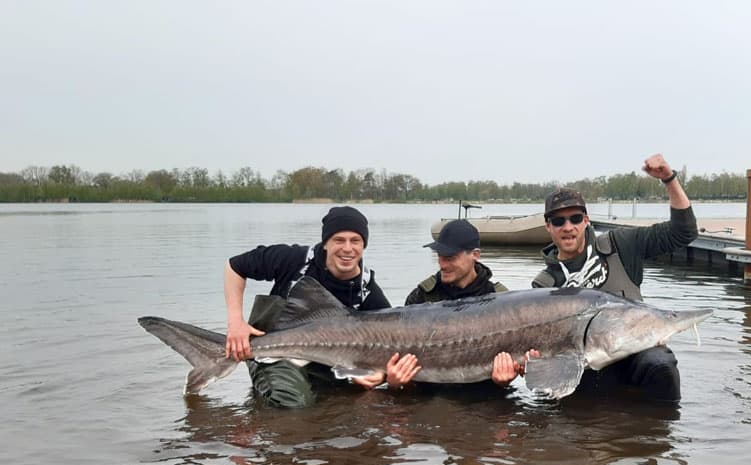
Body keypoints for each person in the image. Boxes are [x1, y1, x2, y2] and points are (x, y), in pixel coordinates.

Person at [532, 153, 698, 402]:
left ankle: (662, 436)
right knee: (552, 396)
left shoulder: (622, 245)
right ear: (548, 227)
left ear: (586, 221)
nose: (568, 227)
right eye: (559, 221)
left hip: (634, 355)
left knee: (661, 365)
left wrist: (668, 179)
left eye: (576, 218)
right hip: (585, 365)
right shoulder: (544, 284)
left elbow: (683, 232)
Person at [224, 206, 420, 408]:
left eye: (355, 241)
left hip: (324, 360)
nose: (347, 248)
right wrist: (236, 322)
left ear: (363, 246)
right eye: (339, 240)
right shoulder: (292, 259)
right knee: (293, 404)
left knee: (351, 404)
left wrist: (378, 375)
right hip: (273, 352)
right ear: (326, 243)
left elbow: (387, 347)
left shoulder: (367, 290)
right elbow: (235, 267)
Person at [405, 219, 533, 388]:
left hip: (482, 399)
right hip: (431, 396)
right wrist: (398, 383)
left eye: (450, 257)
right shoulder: (421, 297)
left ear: (475, 255)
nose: (442, 264)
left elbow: (520, 358)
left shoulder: (501, 299)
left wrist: (505, 380)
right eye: (440, 256)